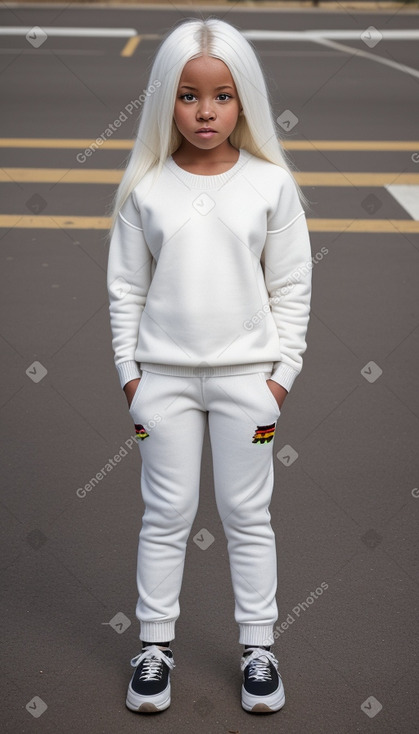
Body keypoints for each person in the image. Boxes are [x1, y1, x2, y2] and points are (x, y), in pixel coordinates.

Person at [107, 16, 312, 715]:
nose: (205, 111)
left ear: (242, 99)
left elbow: (291, 287)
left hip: (246, 387)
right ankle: (154, 648)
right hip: (160, 385)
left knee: (246, 514)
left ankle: (259, 649)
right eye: (189, 96)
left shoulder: (270, 184)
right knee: (164, 514)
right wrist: (132, 379)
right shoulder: (146, 188)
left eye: (221, 95)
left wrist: (278, 378)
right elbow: (125, 289)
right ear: (166, 99)